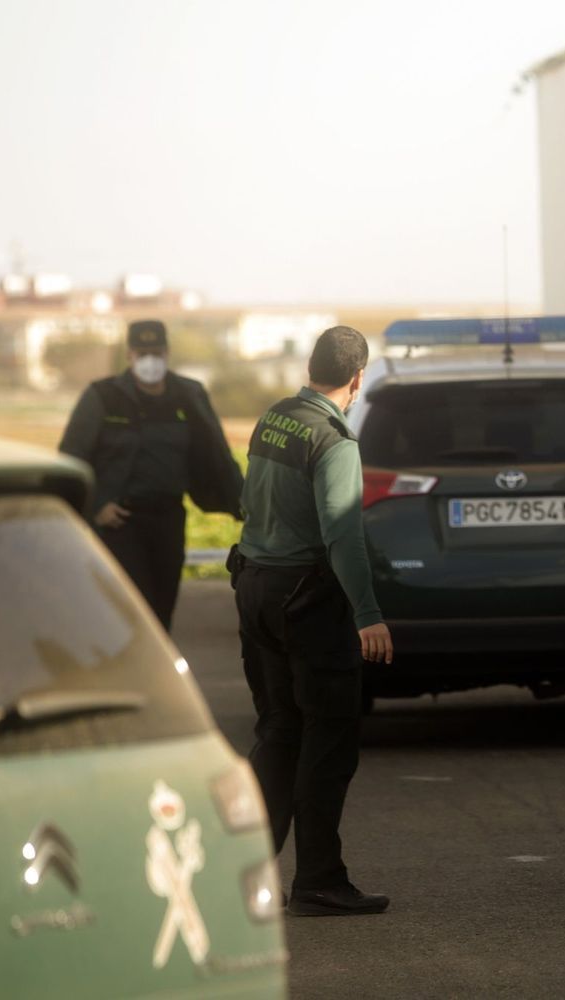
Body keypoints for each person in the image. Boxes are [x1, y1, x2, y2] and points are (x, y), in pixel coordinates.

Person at [232, 326, 395, 916]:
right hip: (305, 601)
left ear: (311, 367)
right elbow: (343, 535)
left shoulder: (276, 416)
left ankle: (240, 874)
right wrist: (369, 615)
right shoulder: (334, 440)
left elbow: (253, 501)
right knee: (327, 743)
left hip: (255, 586)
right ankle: (319, 880)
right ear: (358, 379)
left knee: (279, 732)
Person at [58, 318, 243, 629]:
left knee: (161, 610)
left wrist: (246, 504)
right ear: (129, 355)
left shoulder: (188, 395)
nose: (150, 360)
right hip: (121, 524)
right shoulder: (103, 397)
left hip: (168, 518)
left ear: (167, 353)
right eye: (142, 353)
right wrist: (96, 505)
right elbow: (71, 458)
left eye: (156, 352)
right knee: (132, 611)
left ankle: (155, 671)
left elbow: (218, 455)